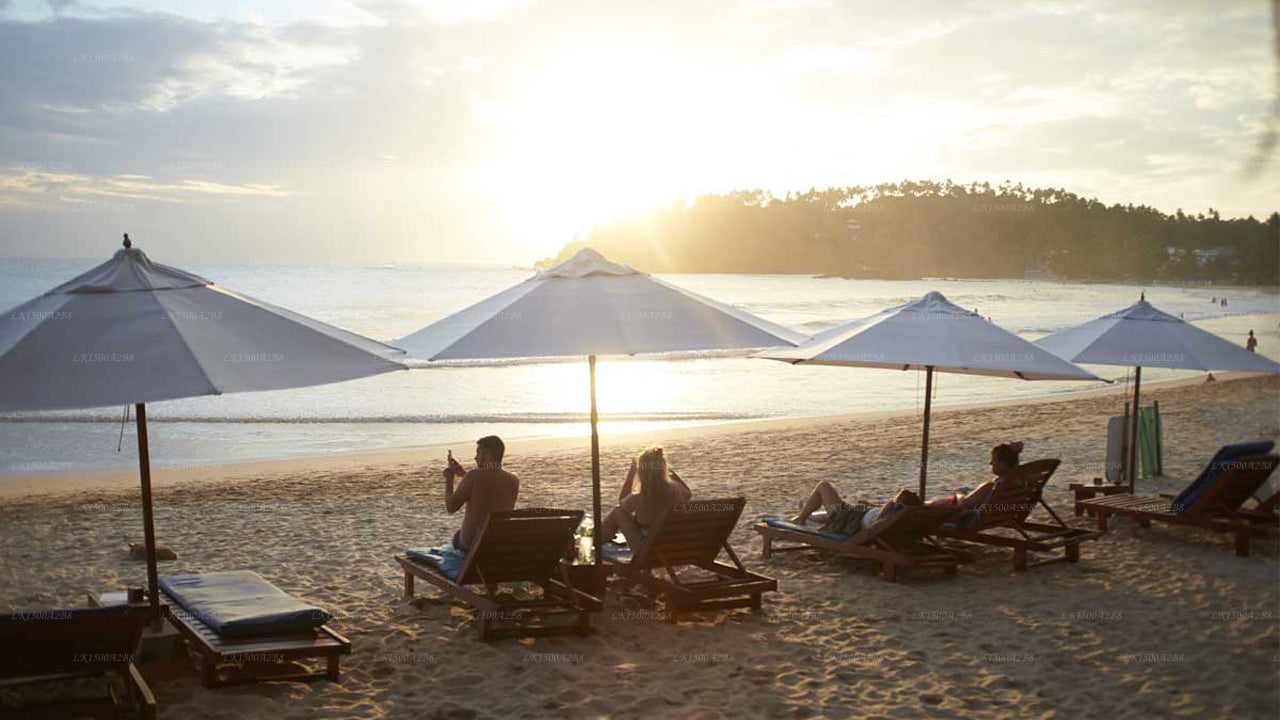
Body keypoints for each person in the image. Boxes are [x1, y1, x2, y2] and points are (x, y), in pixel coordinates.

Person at [789, 442, 1026, 533]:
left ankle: (803, 517)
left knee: (825, 486)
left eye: (993, 461)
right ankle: (809, 513)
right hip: (907, 515)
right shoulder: (1012, 483)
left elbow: (964, 502)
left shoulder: (989, 486)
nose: (990, 465)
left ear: (1003, 464)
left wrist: (960, 492)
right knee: (848, 508)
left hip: (923, 514)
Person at [600, 447, 692, 550]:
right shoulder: (676, 491)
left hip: (647, 548)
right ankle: (599, 537)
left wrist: (631, 473)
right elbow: (688, 493)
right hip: (672, 545)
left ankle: (598, 538)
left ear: (641, 473)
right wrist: (669, 471)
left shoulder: (640, 497)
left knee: (618, 511)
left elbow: (622, 503)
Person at [442, 435, 519, 552]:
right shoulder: (514, 479)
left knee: (457, 536)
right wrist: (464, 475)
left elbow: (451, 507)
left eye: (478, 453)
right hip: (498, 542)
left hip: (473, 544)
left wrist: (449, 478)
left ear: (486, 454)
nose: (475, 457)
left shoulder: (473, 476)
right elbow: (488, 487)